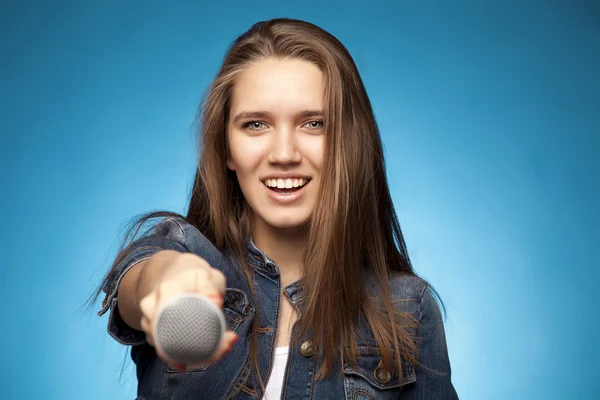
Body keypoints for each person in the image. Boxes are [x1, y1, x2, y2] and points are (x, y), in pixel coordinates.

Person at [96, 18, 458, 400]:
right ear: (226, 149)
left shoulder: (408, 308)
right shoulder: (183, 251)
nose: (284, 154)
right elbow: (141, 279)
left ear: (347, 143)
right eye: (255, 125)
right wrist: (162, 282)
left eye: (314, 123)